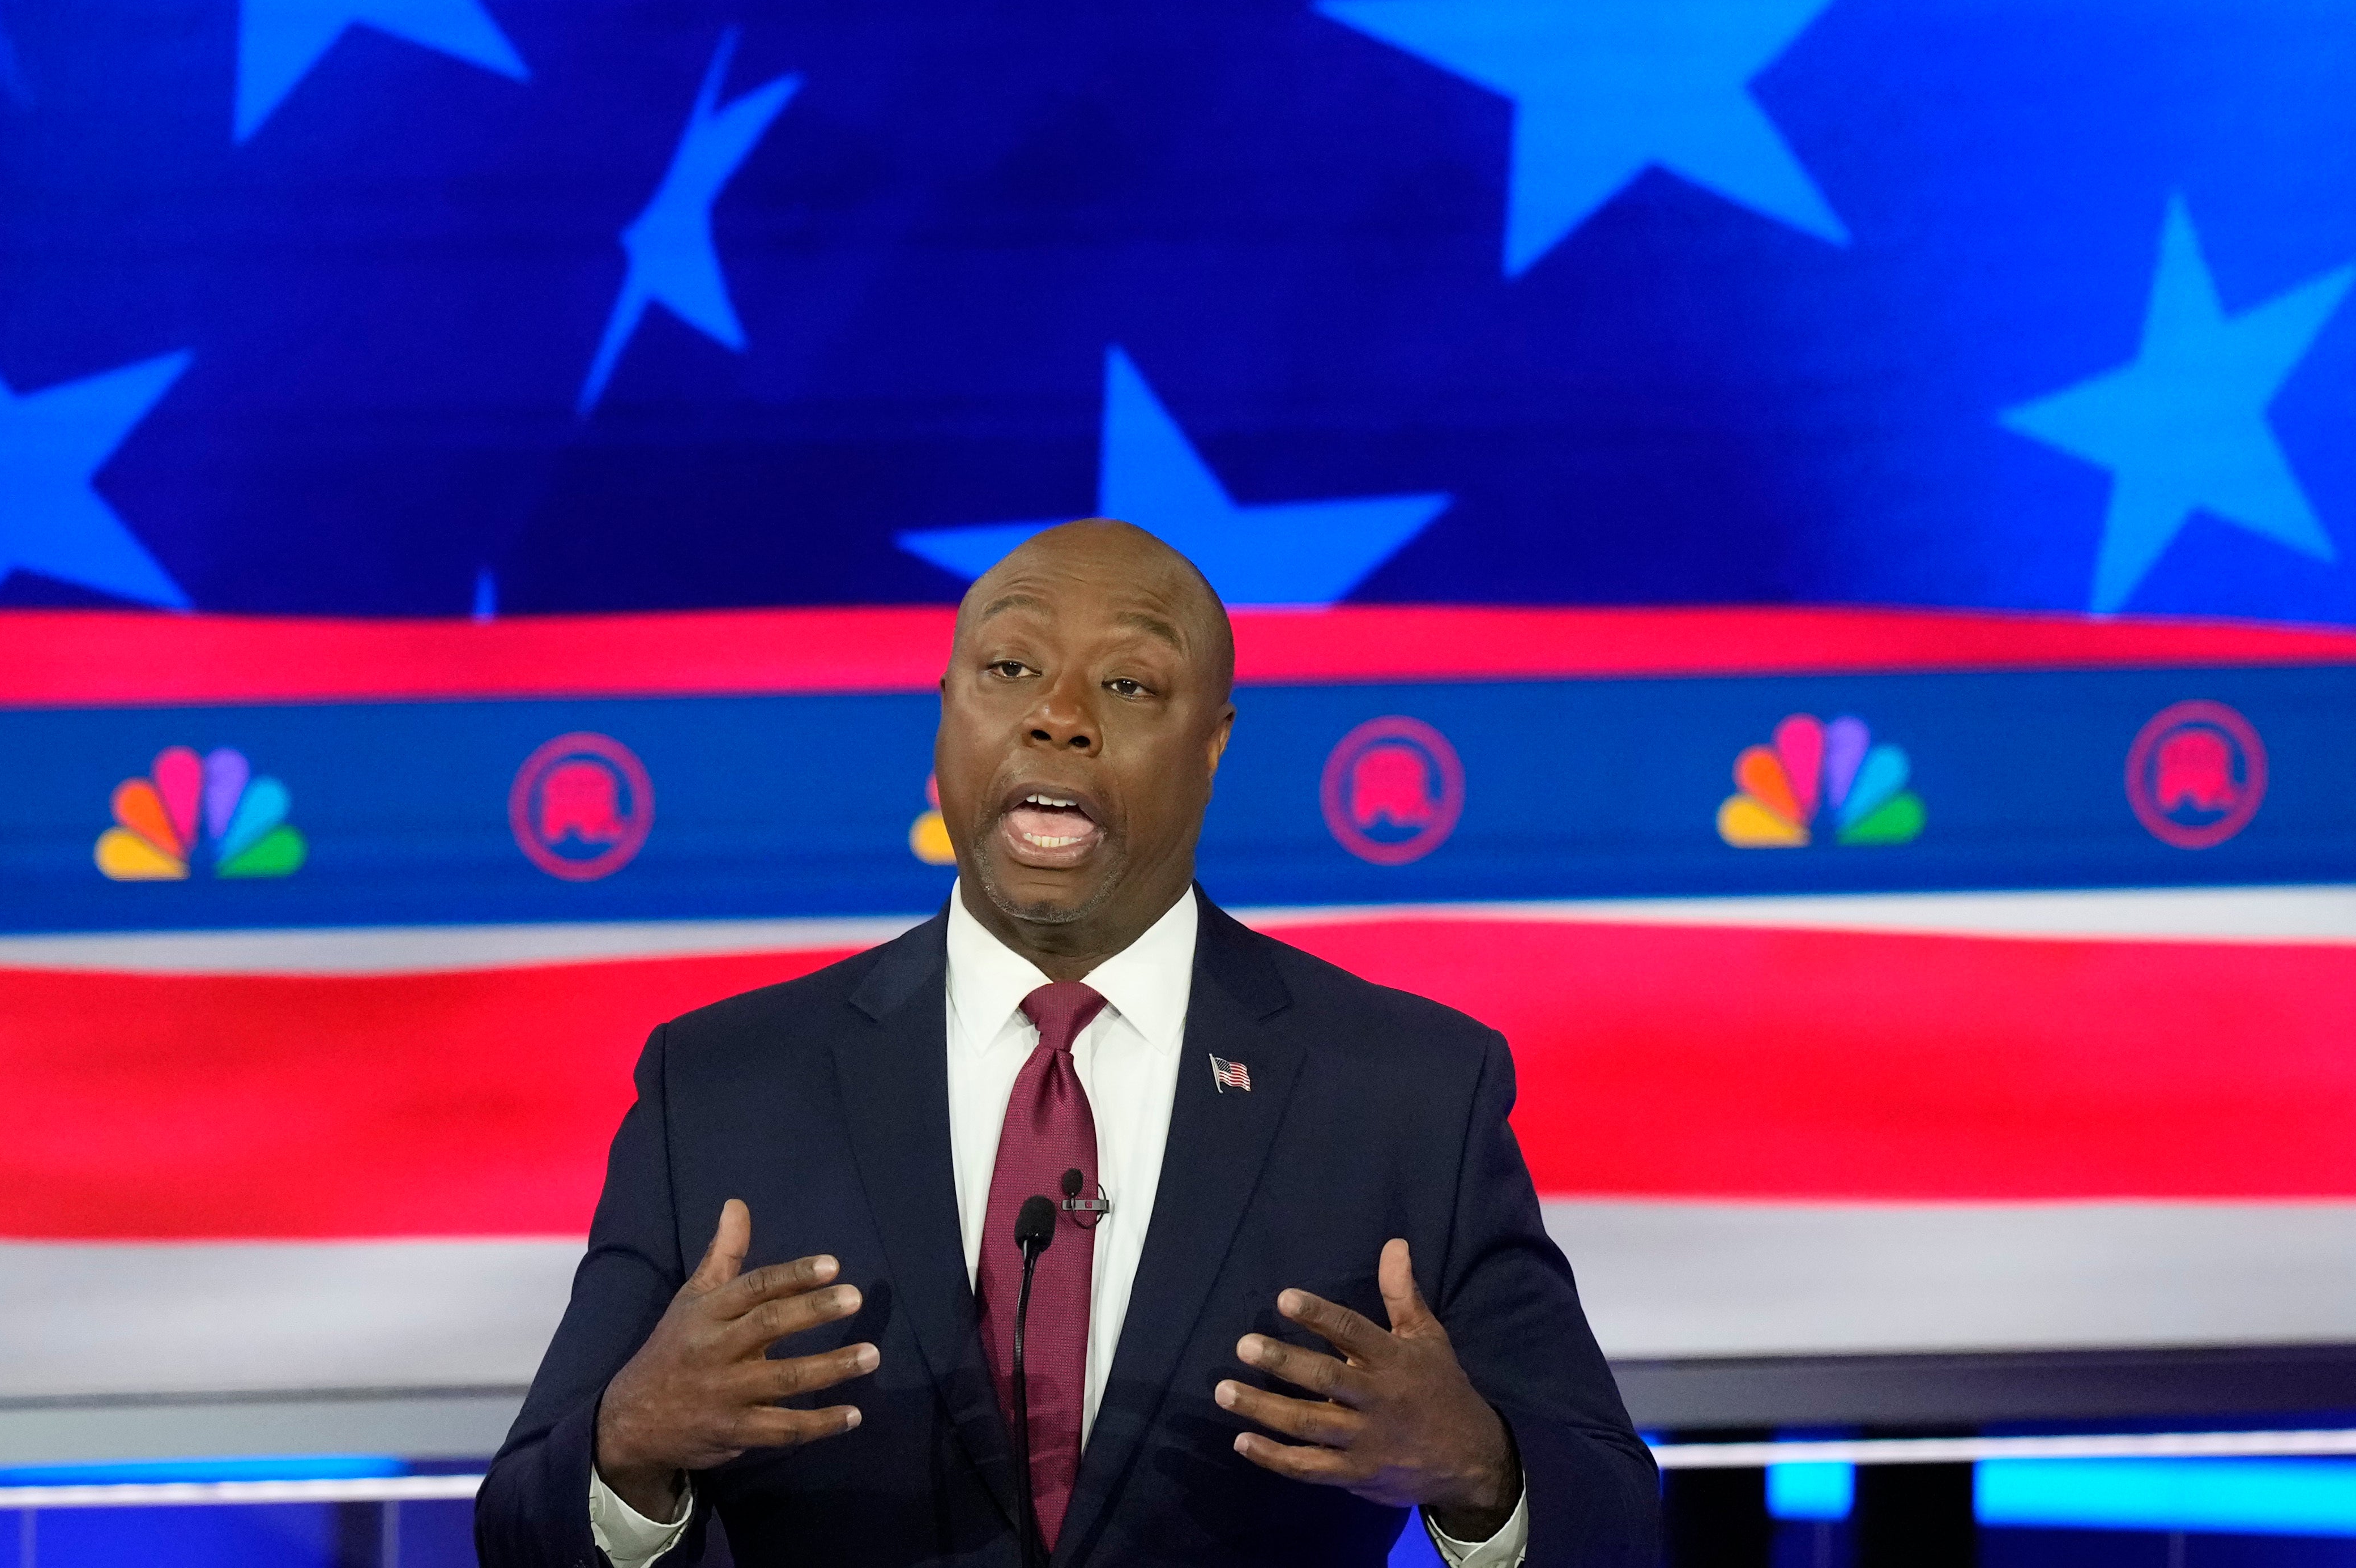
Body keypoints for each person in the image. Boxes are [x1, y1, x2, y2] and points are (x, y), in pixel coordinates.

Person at [476, 520, 1658, 1567]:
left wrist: (1481, 1471)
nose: (1059, 714)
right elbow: (521, 1526)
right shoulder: (725, 1085)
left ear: (1214, 741)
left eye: (1132, 683)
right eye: (1010, 667)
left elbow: (1616, 1518)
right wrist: (626, 1448)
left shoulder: (1404, 1090)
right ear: (945, 709)